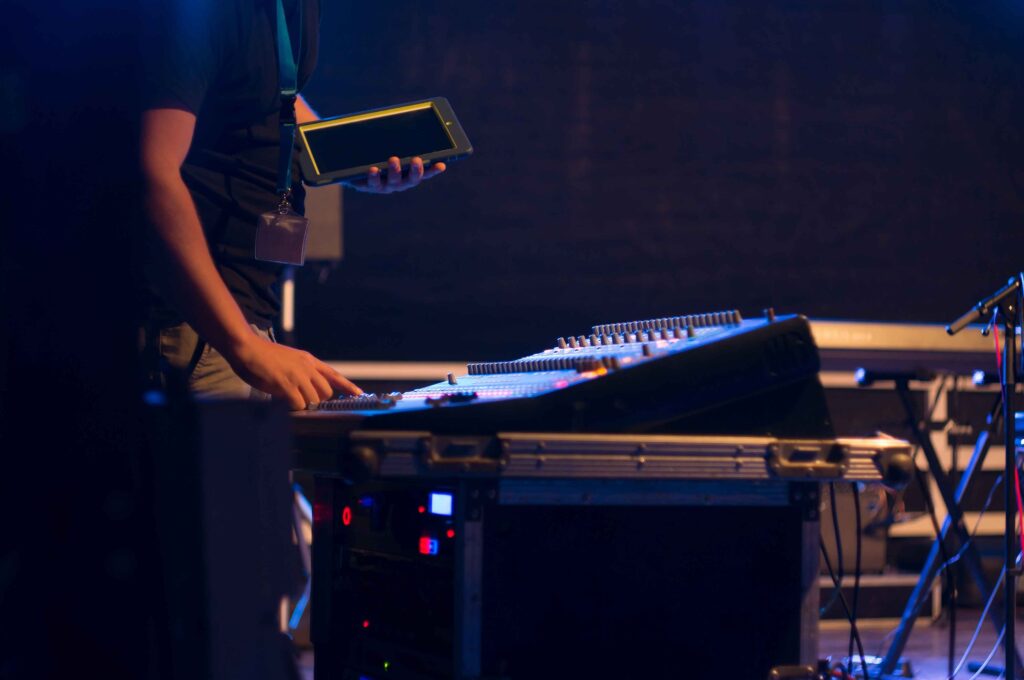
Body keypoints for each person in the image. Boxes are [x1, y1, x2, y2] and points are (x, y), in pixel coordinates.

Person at [140, 0, 445, 409]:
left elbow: (273, 98)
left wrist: (345, 158)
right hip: (199, 326)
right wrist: (242, 345)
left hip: (243, 320)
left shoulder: (297, 8)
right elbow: (150, 174)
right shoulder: (201, 11)